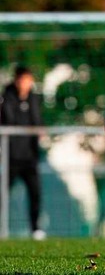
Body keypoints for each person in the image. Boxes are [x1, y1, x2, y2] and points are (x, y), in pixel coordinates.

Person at [0, 66, 46, 240]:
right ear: (16, 80)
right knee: (2, 193)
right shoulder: (6, 98)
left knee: (35, 193)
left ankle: (36, 229)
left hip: (30, 157)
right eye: (21, 80)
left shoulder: (34, 99)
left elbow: (38, 122)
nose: (24, 84)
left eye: (27, 80)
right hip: (11, 157)